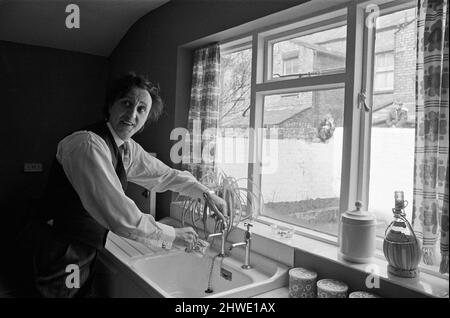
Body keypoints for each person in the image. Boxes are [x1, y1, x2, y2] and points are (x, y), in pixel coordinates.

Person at [28, 73, 227, 297]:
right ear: (111, 106)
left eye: (141, 109)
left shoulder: (127, 147)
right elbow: (121, 216)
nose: (133, 114)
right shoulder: (87, 145)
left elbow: (166, 176)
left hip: (84, 245)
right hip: (64, 249)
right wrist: (173, 236)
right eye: (127, 103)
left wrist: (207, 193)